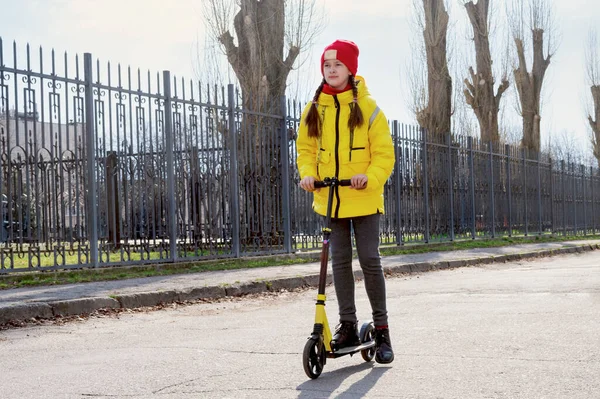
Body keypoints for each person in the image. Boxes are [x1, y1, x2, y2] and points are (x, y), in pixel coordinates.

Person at [296, 39, 396, 364]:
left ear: (350, 69)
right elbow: (306, 151)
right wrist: (308, 175)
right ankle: (349, 325)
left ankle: (381, 331)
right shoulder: (314, 109)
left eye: (337, 65)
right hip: (331, 198)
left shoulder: (368, 108)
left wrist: (371, 175)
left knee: (369, 260)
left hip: (363, 198)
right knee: (339, 263)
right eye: (327, 65)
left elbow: (384, 153)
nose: (332, 70)